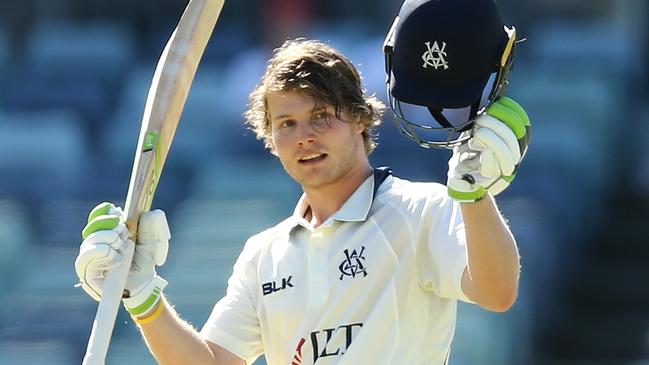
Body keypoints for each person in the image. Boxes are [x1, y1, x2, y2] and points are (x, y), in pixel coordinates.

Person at [74, 0, 530, 364]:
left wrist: (474, 195)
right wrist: (142, 297)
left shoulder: (421, 210)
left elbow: (496, 290)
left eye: (320, 116)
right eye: (286, 123)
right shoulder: (263, 255)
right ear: (270, 139)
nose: (304, 136)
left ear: (359, 118)